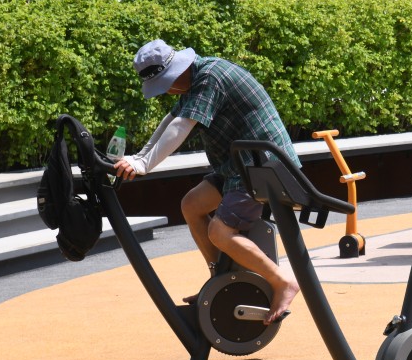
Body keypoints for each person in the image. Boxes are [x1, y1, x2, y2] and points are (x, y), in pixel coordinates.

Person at [113, 39, 300, 324]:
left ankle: (283, 281)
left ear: (176, 72)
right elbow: (170, 120)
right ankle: (221, 281)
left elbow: (181, 126)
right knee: (192, 205)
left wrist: (143, 164)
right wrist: (139, 158)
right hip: (237, 168)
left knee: (220, 232)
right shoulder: (194, 81)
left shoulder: (209, 77)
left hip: (263, 167)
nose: (167, 92)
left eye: (166, 84)